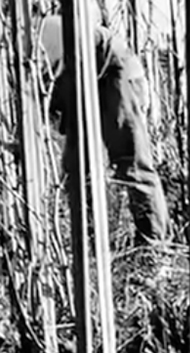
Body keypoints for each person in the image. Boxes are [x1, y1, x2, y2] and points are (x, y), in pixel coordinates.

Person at [39, 14, 169, 247]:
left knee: (132, 162)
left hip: (115, 72)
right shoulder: (38, 49)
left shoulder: (47, 41)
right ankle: (89, 240)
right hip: (86, 75)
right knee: (75, 167)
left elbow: (52, 98)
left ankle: (153, 245)